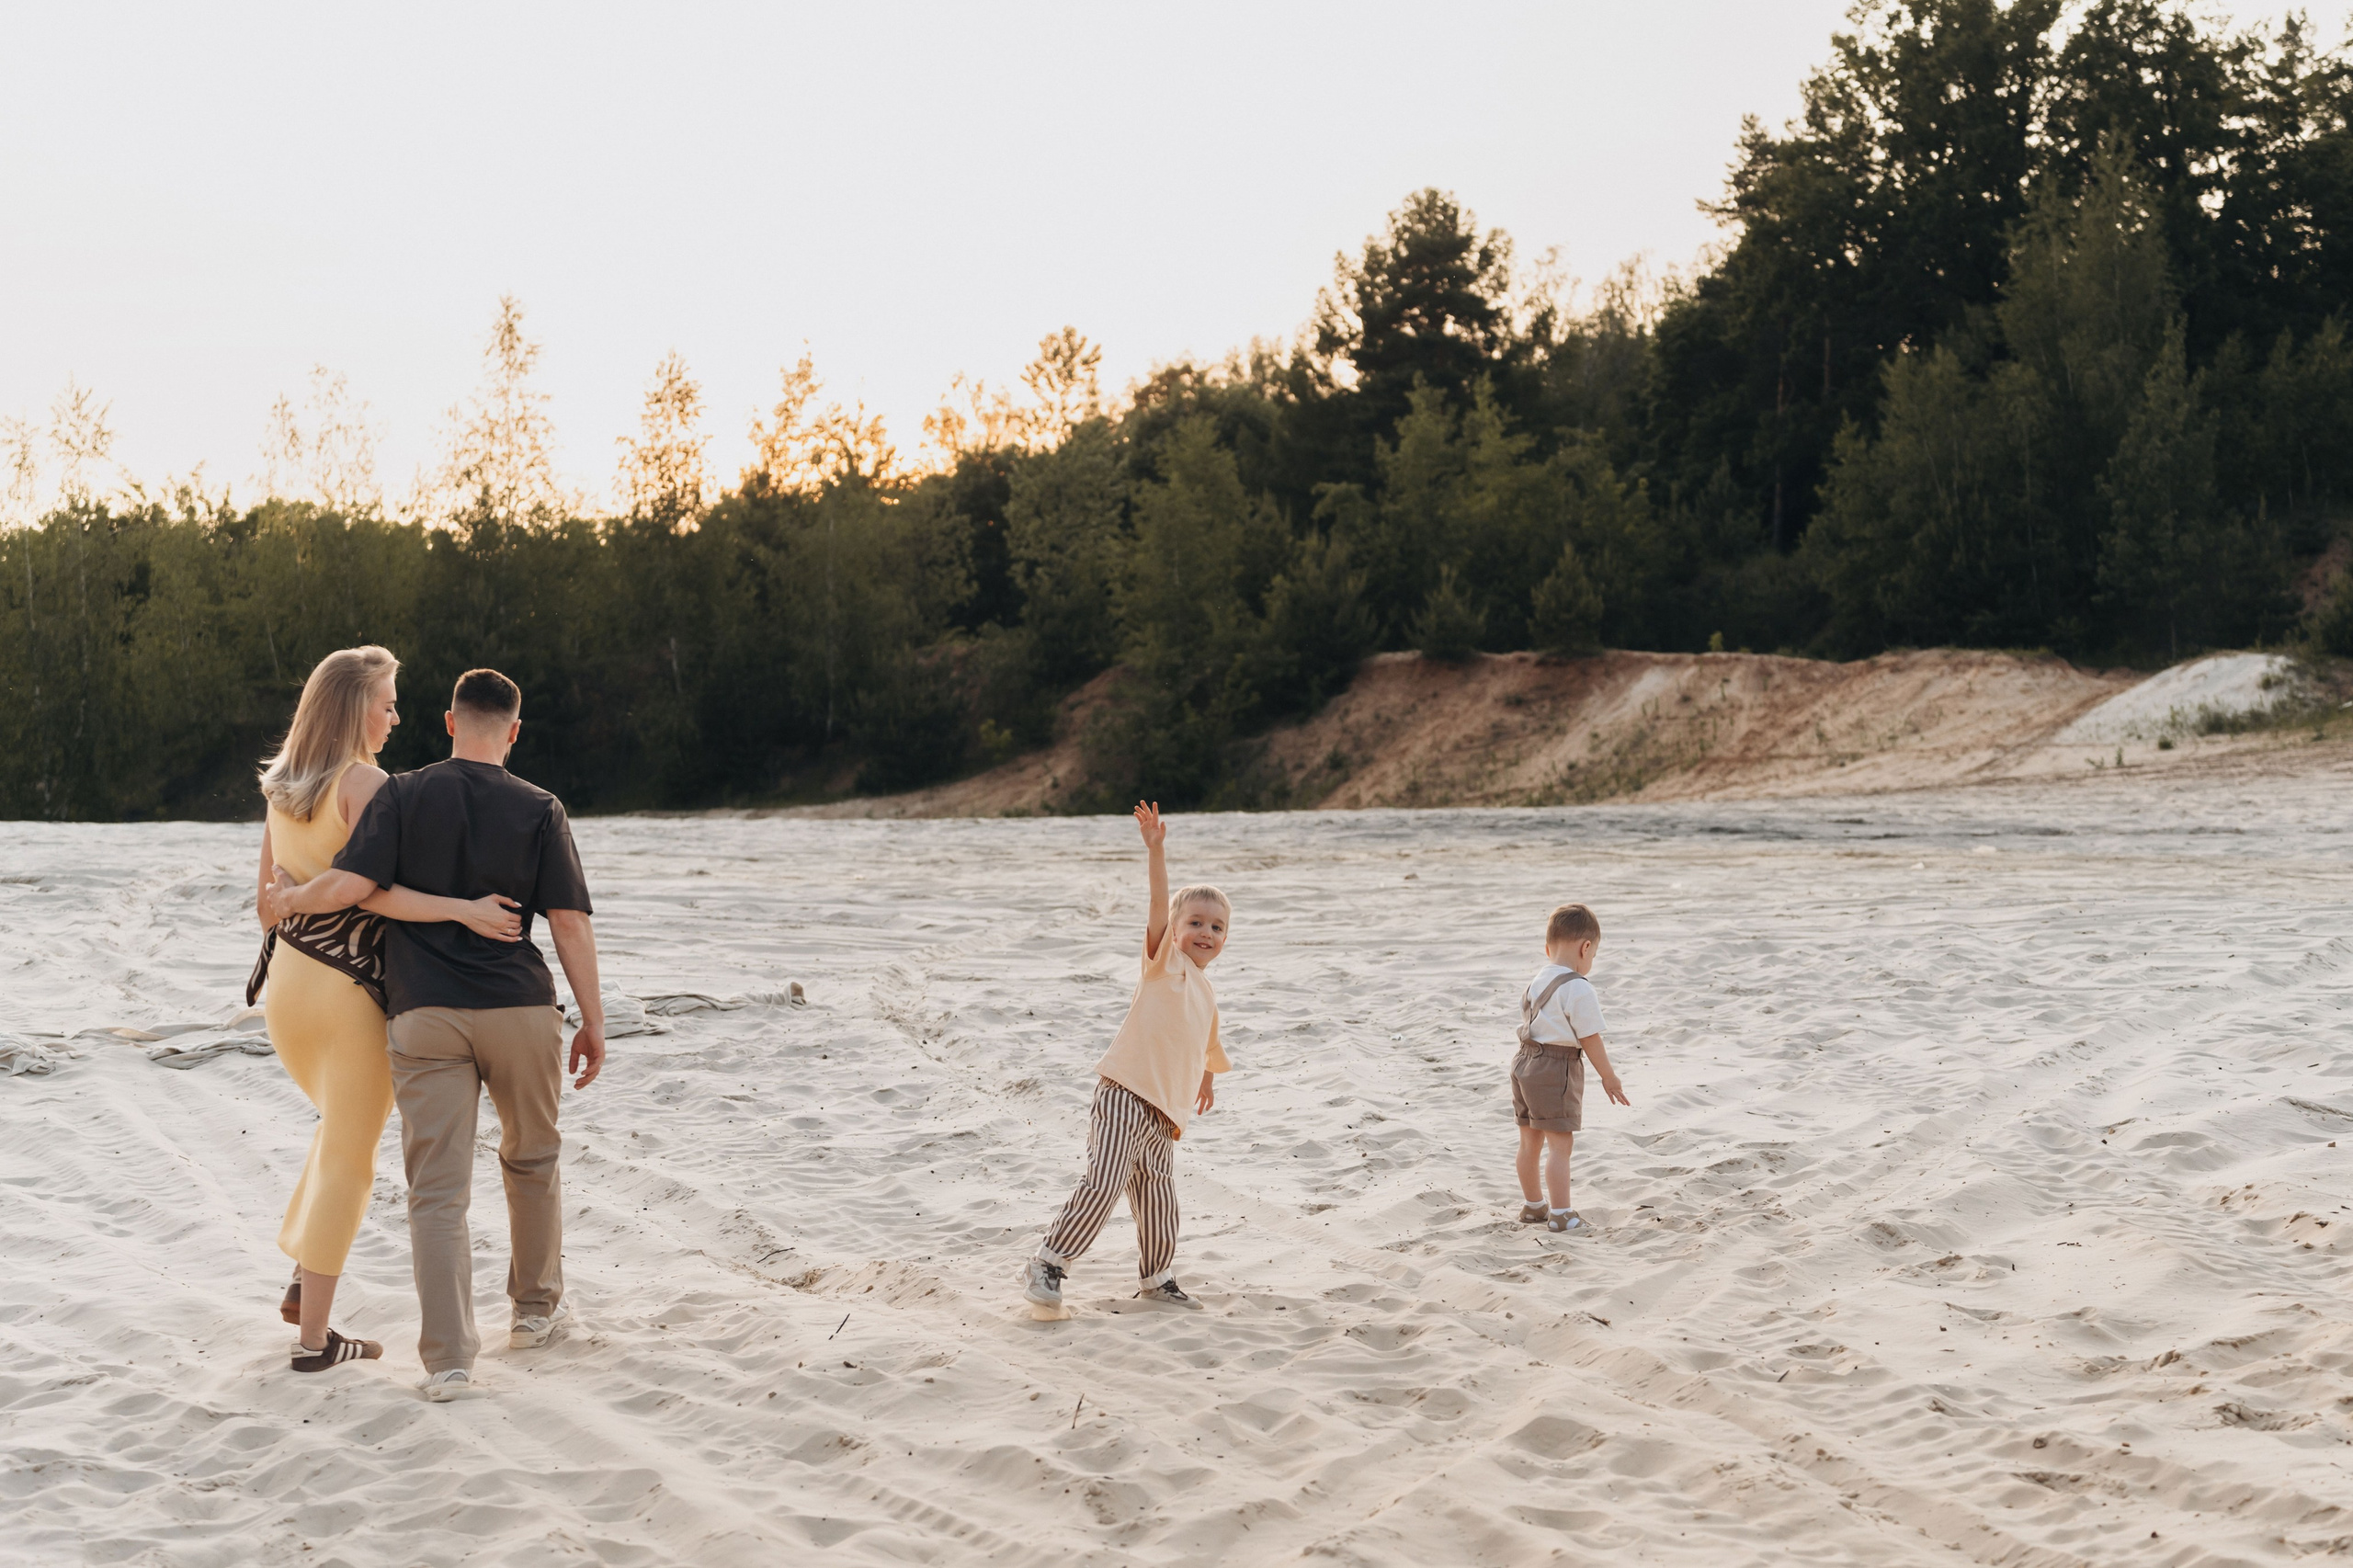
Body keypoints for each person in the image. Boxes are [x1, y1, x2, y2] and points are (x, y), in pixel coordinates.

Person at [266, 667, 605, 1402]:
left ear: (449, 723)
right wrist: (594, 1021)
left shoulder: (400, 792)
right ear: (514, 733)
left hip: (422, 1012)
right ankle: (536, 1313)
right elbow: (570, 924)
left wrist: (288, 901)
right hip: (519, 1008)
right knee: (533, 1158)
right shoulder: (541, 807)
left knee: (436, 1191)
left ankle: (449, 1360)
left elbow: (356, 884)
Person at [254, 646, 527, 1374]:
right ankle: (314, 1344)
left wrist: (300, 895)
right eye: (387, 701)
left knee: (334, 1131)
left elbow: (267, 907)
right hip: (350, 997)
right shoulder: (367, 785)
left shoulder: (280, 787)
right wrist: (465, 911)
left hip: (289, 991)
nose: (396, 716)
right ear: (354, 708)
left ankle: (303, 1277)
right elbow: (375, 892)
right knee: (351, 1153)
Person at [1022, 801, 1231, 1315]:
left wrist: (1204, 1079)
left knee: (1159, 1198)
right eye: (1197, 923)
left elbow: (1205, 1046)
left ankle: (1157, 1278)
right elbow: (1159, 905)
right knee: (1105, 1180)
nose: (1206, 933)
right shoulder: (1164, 965)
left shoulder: (1207, 995)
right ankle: (1049, 1262)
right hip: (1124, 1094)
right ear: (1177, 932)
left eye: (1218, 927)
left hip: (1165, 1115)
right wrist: (1156, 851)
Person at [1511, 903, 1630, 1236]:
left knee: (1529, 1142)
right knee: (1560, 1146)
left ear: (1548, 948)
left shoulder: (1538, 979)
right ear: (1586, 947)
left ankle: (1533, 1206)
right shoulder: (1578, 987)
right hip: (1554, 1067)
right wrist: (1608, 1075)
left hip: (1523, 1062)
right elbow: (1589, 1037)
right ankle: (1561, 1213)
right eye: (1593, 956)